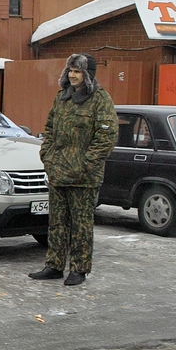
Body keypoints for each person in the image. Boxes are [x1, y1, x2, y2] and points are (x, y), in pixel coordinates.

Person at [30, 53, 117, 286]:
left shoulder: (100, 99)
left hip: (83, 178)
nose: (73, 75)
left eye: (77, 71)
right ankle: (54, 265)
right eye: (70, 70)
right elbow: (50, 129)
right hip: (58, 172)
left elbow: (106, 137)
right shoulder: (62, 98)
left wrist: (85, 164)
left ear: (87, 74)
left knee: (81, 225)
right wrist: (47, 156)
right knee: (57, 222)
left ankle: (79, 269)